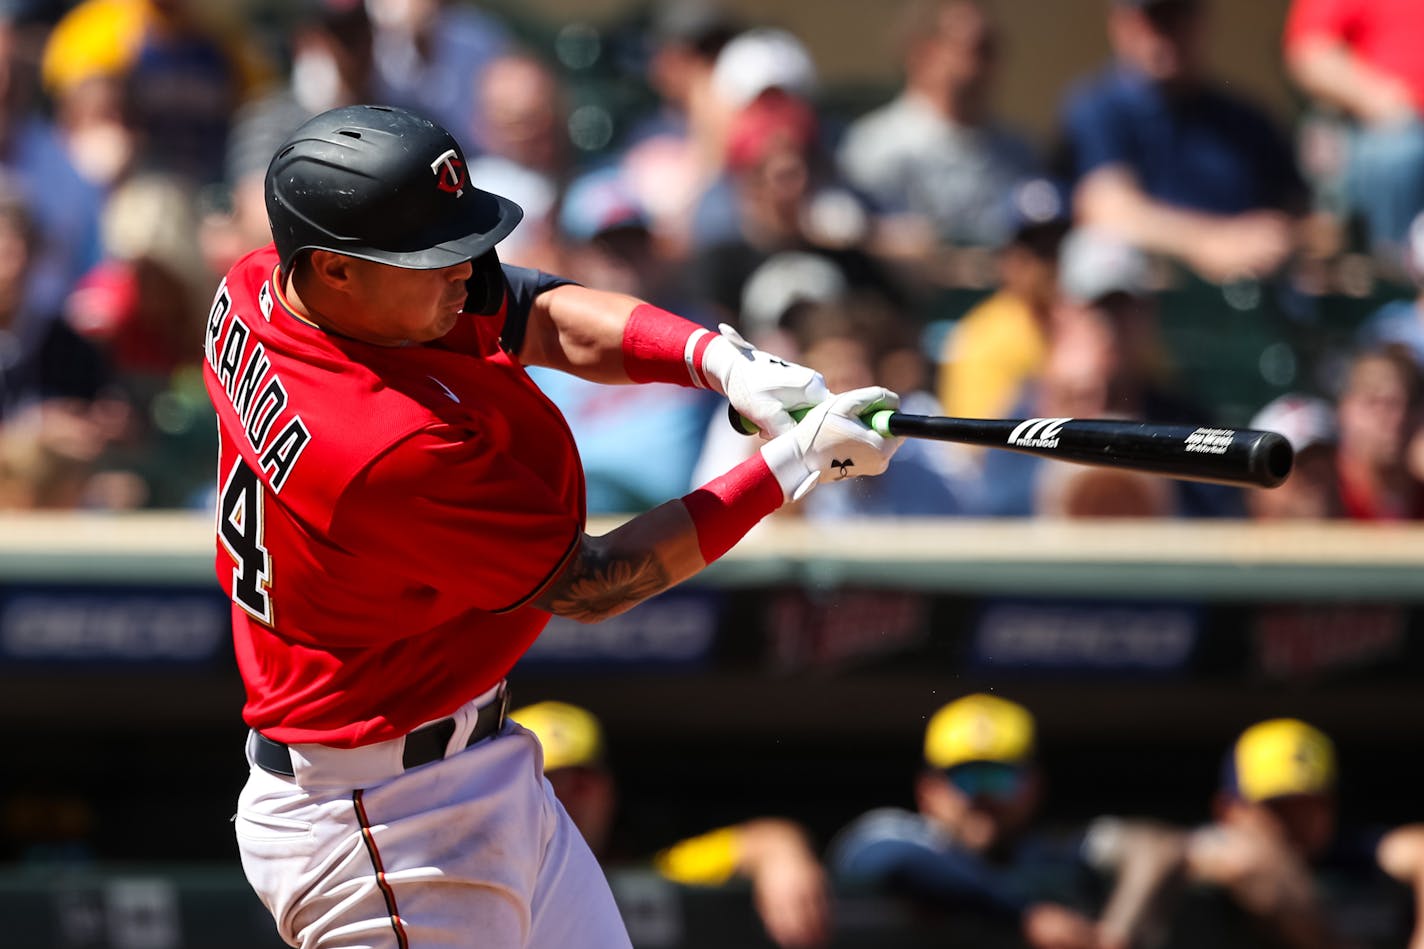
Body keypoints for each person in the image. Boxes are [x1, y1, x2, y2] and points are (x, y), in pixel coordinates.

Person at [210, 103, 901, 949]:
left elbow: (527, 309)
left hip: (467, 757)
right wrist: (791, 467)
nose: (465, 267)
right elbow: (593, 580)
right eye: (429, 256)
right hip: (380, 823)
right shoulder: (379, 449)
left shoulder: (261, 285)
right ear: (334, 268)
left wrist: (719, 360)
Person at [509, 700, 831, 949]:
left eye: (580, 783)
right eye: (546, 784)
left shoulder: (649, 875)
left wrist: (782, 851)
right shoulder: (469, 871)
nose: (564, 799)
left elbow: (760, 841)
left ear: (607, 793)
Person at [1086, 718, 1424, 949]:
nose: (1298, 822)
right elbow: (1153, 846)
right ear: (1228, 810)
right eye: (1278, 807)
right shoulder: (1215, 851)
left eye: (1311, 804)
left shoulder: (1350, 853)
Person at [1056, 0, 1305, 283]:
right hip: (1140, 304)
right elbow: (1105, 209)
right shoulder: (1097, 108)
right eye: (1154, 19)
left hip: (1245, 303)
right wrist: (1211, 241)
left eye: (1177, 17)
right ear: (1120, 25)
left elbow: (1300, 214)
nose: (1164, 35)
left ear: (1201, 22)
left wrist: (1281, 237)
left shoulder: (1247, 120)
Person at [827, 693, 1102, 949]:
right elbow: (892, 857)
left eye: (999, 777)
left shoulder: (1055, 854)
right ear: (928, 790)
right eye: (965, 776)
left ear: (1034, 786)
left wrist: (1117, 928)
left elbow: (1140, 844)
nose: (983, 795)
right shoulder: (903, 837)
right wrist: (1024, 914)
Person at [837, 0, 1040, 252]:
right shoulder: (875, 149)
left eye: (991, 48)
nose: (982, 65)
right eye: (973, 47)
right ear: (921, 53)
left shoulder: (1019, 152)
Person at [1284, 0, 1424, 257]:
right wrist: (1386, 103)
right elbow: (1310, 52)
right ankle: (1398, 283)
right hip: (1393, 129)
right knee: (1397, 154)